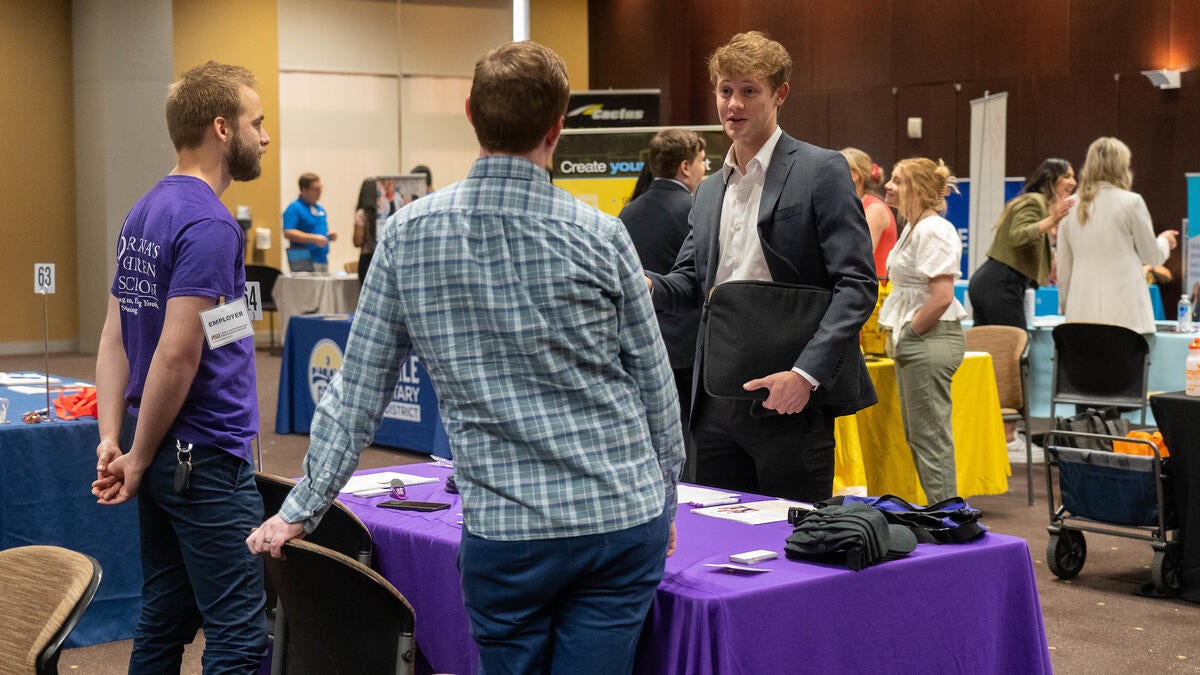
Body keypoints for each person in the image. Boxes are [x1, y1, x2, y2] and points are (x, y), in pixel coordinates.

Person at [246, 41, 684, 674]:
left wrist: (301, 509)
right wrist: (664, 493)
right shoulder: (602, 235)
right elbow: (654, 386)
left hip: (508, 532)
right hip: (619, 518)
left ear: (470, 113)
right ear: (558, 126)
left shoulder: (408, 236)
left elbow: (357, 393)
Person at [91, 60, 270, 672]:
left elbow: (118, 337)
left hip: (160, 446)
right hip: (201, 458)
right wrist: (134, 456)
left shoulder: (142, 212)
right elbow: (176, 352)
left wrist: (114, 438)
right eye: (257, 122)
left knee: (164, 615)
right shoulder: (211, 224)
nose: (265, 137)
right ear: (222, 128)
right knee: (240, 634)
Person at [647, 31, 878, 503]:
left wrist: (806, 375)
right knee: (717, 540)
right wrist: (645, 285)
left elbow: (856, 284)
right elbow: (691, 281)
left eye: (749, 91)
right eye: (725, 90)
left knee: (795, 551)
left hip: (790, 397)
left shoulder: (820, 169)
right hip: (713, 401)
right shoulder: (709, 189)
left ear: (780, 94)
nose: (734, 104)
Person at [878, 158, 967, 504]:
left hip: (928, 339)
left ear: (919, 189)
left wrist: (912, 334)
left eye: (898, 181)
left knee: (930, 436)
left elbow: (942, 296)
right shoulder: (916, 228)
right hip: (919, 339)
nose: (888, 185)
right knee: (921, 435)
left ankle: (948, 516)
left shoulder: (933, 230)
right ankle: (940, 510)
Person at [619, 128, 706, 476]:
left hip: (642, 343)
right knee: (687, 443)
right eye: (702, 161)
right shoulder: (695, 210)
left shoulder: (627, 213)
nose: (705, 168)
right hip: (687, 348)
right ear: (685, 167)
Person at [1057, 137, 1178, 334]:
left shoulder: (1070, 205)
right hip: (1128, 318)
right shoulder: (1132, 202)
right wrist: (1164, 241)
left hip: (1080, 315)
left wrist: (1065, 306)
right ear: (1122, 167)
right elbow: (1151, 256)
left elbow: (1064, 268)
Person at [968, 158, 1075, 328]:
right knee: (1014, 348)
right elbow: (1017, 236)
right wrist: (1052, 220)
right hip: (1001, 283)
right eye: (1067, 176)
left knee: (988, 349)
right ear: (1051, 178)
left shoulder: (1039, 204)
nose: (1073, 182)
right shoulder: (1034, 201)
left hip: (993, 283)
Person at [841, 147, 897, 277]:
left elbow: (860, 257)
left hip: (876, 290)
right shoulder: (852, 205)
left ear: (854, 175)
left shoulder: (874, 209)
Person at [283, 172, 337, 273]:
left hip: (321, 258)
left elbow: (316, 230)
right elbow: (288, 232)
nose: (319, 192)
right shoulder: (294, 208)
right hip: (302, 258)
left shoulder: (320, 209)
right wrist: (314, 238)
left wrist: (328, 235)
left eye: (320, 188)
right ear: (304, 189)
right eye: (315, 189)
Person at [352, 177, 377, 285]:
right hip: (380, 258)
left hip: (366, 258)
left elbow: (357, 241)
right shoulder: (382, 212)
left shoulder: (361, 214)